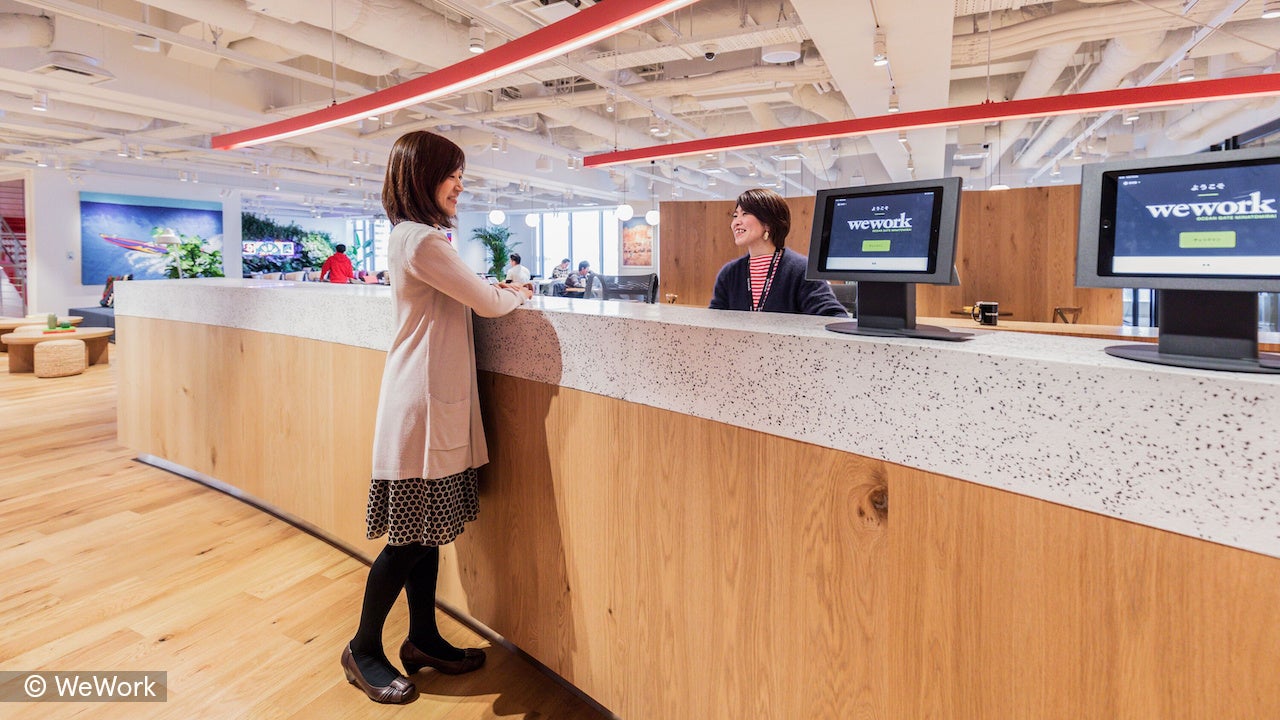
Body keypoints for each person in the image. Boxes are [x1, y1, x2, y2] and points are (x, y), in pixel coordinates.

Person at [342, 130, 533, 705]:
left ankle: (422, 638)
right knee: (408, 540)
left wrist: (494, 289)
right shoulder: (422, 240)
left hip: (428, 401)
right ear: (422, 176)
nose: (459, 185)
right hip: (421, 407)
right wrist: (519, 291)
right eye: (452, 174)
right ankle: (362, 649)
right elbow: (490, 303)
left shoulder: (415, 238)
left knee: (425, 536)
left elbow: (466, 292)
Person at [709, 188, 846, 316]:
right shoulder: (729, 273)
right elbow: (714, 321)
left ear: (768, 223)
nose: (736, 223)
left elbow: (833, 316)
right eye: (735, 215)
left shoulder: (801, 270)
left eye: (745, 214)